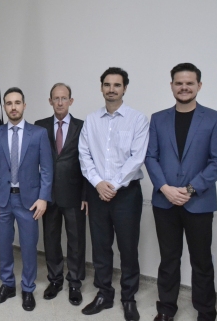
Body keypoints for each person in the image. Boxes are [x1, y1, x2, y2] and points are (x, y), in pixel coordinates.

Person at [145, 63, 217, 321]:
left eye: (189, 83)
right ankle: (167, 309)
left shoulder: (215, 118)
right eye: (178, 83)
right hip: (164, 202)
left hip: (199, 203)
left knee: (201, 261)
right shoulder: (158, 119)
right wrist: (166, 188)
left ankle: (206, 311)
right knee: (169, 260)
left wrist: (190, 189)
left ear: (199, 86)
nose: (184, 87)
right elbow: (150, 156)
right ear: (171, 86)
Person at [78, 67, 149, 321]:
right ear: (101, 88)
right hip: (98, 194)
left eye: (117, 85)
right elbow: (84, 155)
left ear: (125, 88)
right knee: (100, 247)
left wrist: (113, 185)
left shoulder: (137, 119)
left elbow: (137, 158)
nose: (111, 89)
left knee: (128, 249)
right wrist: (98, 184)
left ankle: (128, 298)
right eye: (107, 85)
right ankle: (104, 294)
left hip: (127, 195)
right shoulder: (91, 120)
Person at [0, 87, 53, 311]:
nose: (13, 107)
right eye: (9, 103)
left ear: (24, 105)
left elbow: (46, 169)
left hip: (30, 201)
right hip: (2, 200)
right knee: (4, 246)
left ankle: (27, 288)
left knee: (28, 247)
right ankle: (7, 285)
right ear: (4, 107)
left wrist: (43, 198)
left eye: (17, 102)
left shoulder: (39, 133)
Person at [34, 83, 87, 305]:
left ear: (71, 101)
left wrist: (86, 195)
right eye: (56, 98)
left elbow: (87, 162)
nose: (60, 102)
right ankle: (55, 280)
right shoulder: (40, 126)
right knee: (51, 239)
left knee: (76, 241)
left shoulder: (82, 126)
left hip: (75, 195)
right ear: (50, 101)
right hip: (48, 195)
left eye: (64, 98)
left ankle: (75, 283)